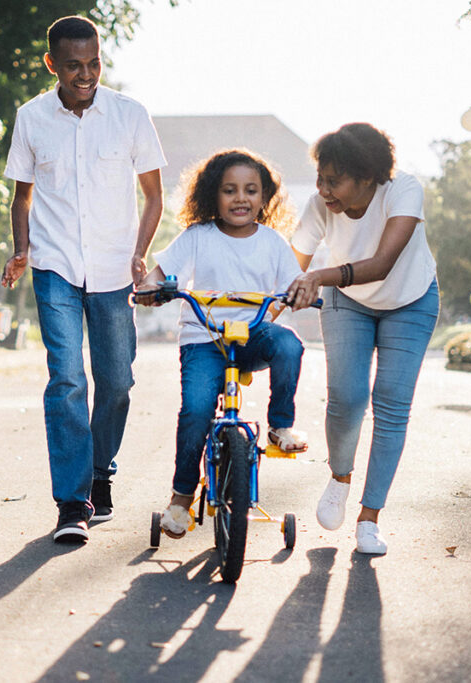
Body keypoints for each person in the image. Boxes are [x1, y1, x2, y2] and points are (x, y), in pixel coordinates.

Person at [0, 15, 166, 543]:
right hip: (55, 267)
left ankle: (100, 473)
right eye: (74, 66)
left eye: (93, 63)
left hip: (115, 269)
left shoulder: (130, 115)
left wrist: (141, 254)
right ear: (52, 64)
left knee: (116, 383)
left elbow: (154, 195)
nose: (86, 74)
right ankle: (72, 503)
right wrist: (22, 251)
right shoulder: (31, 118)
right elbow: (22, 195)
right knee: (67, 379)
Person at [286, 123, 439, 556]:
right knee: (347, 397)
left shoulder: (402, 191)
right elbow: (289, 267)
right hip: (347, 302)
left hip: (410, 299)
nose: (323, 189)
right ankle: (339, 477)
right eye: (320, 177)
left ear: (367, 177)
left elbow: (383, 263)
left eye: (333, 180)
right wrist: (265, 308)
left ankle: (369, 518)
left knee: (391, 402)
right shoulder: (320, 206)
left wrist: (317, 276)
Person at [137, 149, 307, 539]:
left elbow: (293, 284)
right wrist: (151, 287)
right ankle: (181, 498)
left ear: (264, 198)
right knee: (196, 410)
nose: (241, 198)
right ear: (214, 195)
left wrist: (299, 294)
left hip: (251, 336)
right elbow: (160, 273)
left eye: (251, 190)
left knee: (290, 346)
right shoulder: (198, 237)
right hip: (204, 339)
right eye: (230, 190)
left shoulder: (273, 243)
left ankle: (280, 426)